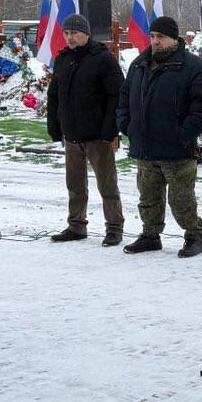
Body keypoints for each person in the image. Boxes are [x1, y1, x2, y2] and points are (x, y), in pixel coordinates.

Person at [117, 16, 202, 257]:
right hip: (145, 147)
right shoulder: (139, 64)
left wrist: (182, 135)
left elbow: (201, 109)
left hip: (176, 150)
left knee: (181, 202)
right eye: (152, 36)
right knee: (148, 198)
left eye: (161, 37)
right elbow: (125, 98)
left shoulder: (192, 67)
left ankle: (194, 235)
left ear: (174, 38)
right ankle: (150, 235)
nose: (155, 41)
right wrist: (126, 125)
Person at [46, 14, 125, 246]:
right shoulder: (62, 59)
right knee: (75, 185)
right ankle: (76, 226)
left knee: (107, 185)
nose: (69, 37)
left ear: (86, 34)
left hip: (97, 136)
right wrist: (55, 125)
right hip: (71, 135)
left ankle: (114, 227)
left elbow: (117, 95)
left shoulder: (102, 59)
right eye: (66, 33)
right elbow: (54, 95)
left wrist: (109, 129)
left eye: (74, 33)